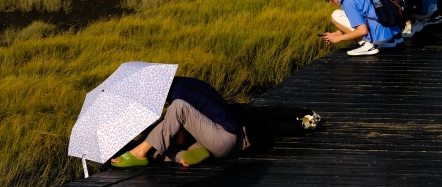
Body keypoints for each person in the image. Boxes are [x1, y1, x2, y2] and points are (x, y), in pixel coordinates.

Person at [111, 77, 320, 168]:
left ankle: (141, 152)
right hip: (222, 135)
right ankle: (179, 155)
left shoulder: (178, 97)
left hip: (224, 140)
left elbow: (180, 136)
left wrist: (165, 124)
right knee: (167, 141)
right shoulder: (188, 84)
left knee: (177, 110)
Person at [319, 0, 403, 56]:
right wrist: (335, 34)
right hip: (390, 31)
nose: (330, 2)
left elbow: (363, 30)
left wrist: (338, 38)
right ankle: (390, 40)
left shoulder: (348, 1)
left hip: (379, 37)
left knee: (336, 15)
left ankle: (367, 46)